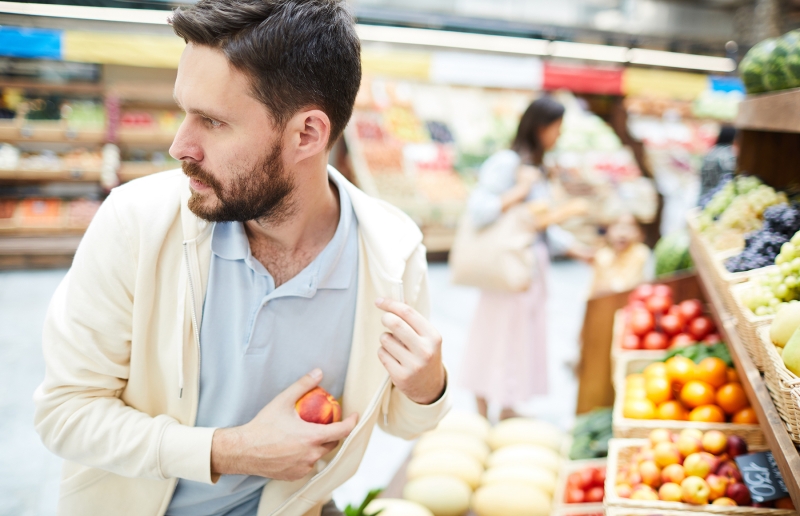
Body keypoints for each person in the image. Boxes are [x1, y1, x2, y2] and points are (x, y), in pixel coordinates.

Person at [33, 2, 450, 515]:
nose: (178, 145)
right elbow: (64, 413)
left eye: (211, 121)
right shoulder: (135, 222)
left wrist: (428, 386)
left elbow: (401, 422)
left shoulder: (390, 250)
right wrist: (229, 450)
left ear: (307, 134)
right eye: (185, 111)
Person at [459, 97, 590, 420]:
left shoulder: (535, 166)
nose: (559, 135)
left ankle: (506, 406)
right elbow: (478, 211)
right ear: (541, 126)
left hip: (528, 268)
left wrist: (574, 248)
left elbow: (537, 223)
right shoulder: (508, 163)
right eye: (557, 128)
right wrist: (519, 191)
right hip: (507, 266)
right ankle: (482, 405)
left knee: (517, 337)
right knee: (495, 335)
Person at [590, 213, 652, 296]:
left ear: (640, 233)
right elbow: (593, 292)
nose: (622, 234)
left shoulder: (642, 253)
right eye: (617, 227)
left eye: (629, 227)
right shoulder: (601, 256)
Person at [698, 124, 737, 201]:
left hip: (703, 195)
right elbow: (729, 177)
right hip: (716, 198)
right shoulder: (727, 154)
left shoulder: (711, 151)